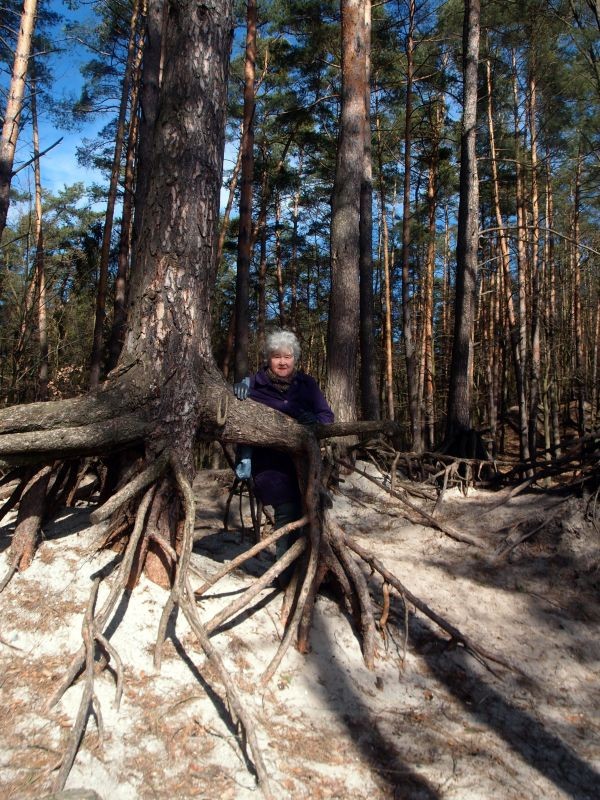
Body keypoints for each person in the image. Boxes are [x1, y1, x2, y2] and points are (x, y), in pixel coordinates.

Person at [233, 329, 334, 584]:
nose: (282, 362)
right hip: (269, 463)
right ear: (268, 358)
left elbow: (327, 416)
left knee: (312, 508)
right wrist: (235, 393)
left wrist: (316, 422)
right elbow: (236, 419)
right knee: (289, 510)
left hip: (302, 462)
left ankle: (310, 568)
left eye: (287, 356)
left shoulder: (307, 384)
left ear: (295, 358)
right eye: (276, 356)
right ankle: (284, 576)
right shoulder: (253, 384)